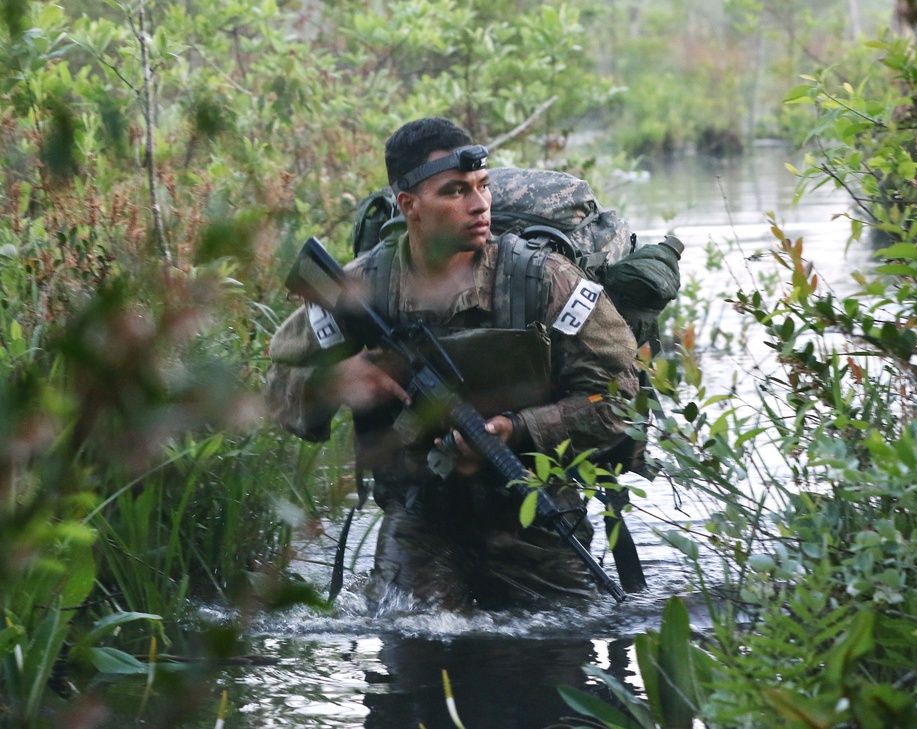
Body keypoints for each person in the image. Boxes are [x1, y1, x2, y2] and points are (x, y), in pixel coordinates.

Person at [266, 117, 639, 611]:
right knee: (413, 648)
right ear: (410, 206)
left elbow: (620, 402)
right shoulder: (361, 289)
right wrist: (338, 380)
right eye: (455, 191)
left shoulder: (542, 281)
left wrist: (518, 428)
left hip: (534, 516)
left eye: (483, 187)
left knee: (554, 655)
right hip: (420, 517)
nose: (480, 204)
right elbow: (277, 390)